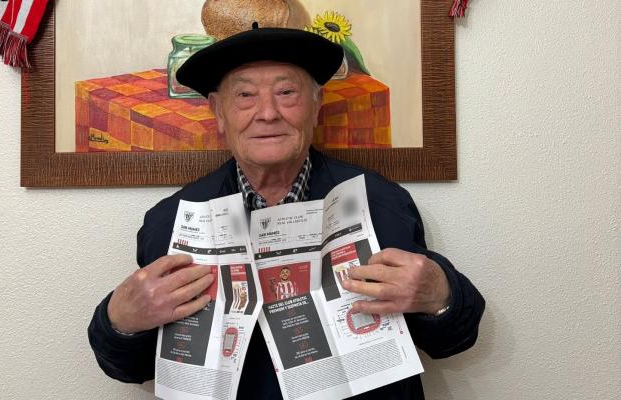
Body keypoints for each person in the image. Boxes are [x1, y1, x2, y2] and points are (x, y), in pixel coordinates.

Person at [88, 26, 485, 399]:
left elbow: (453, 339)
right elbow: (131, 368)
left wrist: (441, 294)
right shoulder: (173, 220)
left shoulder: (379, 203)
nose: (267, 113)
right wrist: (119, 322)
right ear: (218, 112)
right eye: (245, 96)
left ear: (316, 106)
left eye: (287, 93)